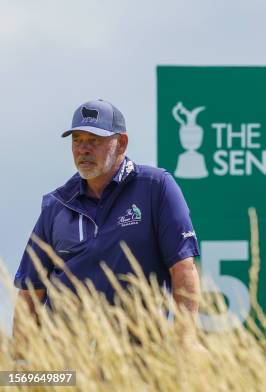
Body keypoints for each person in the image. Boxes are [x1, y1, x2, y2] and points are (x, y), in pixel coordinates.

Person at [13, 99, 201, 336]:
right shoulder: (57, 203)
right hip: (67, 360)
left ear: (121, 143)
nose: (83, 149)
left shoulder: (156, 187)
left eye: (94, 140)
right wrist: (19, 366)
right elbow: (30, 293)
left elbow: (183, 269)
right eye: (77, 141)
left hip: (138, 358)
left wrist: (187, 339)